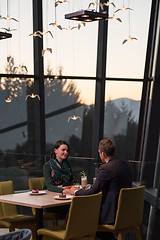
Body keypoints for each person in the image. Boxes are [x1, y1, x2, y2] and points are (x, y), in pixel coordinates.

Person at [63, 138, 133, 240]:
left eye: (99, 153)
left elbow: (91, 192)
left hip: (111, 216)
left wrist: (74, 191)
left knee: (71, 215)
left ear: (103, 154)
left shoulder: (106, 168)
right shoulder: (127, 164)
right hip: (126, 214)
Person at [43, 140, 74, 215]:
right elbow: (49, 186)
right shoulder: (47, 166)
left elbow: (71, 181)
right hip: (50, 200)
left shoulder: (67, 165)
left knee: (77, 205)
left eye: (67, 150)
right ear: (55, 150)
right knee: (74, 207)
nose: (66, 152)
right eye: (63, 150)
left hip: (65, 198)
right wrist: (62, 190)